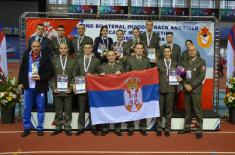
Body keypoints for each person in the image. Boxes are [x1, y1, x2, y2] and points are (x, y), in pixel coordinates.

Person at [18, 41, 53, 137]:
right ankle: (26, 128)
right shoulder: (26, 56)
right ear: (31, 47)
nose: (36, 48)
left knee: (41, 108)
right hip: (27, 87)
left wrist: (41, 77)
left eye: (38, 46)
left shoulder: (45, 57)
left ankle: (40, 128)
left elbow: (50, 72)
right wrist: (20, 82)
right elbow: (21, 70)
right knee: (26, 108)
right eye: (34, 46)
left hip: (40, 87)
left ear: (40, 47)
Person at [177, 45, 206, 139]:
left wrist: (191, 86)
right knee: (188, 110)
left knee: (197, 110)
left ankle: (199, 129)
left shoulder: (201, 61)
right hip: (186, 89)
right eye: (190, 50)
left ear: (196, 51)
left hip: (196, 90)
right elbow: (180, 75)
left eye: (193, 50)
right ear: (188, 51)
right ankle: (186, 127)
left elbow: (201, 77)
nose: (191, 52)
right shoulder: (184, 62)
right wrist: (185, 85)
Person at [50, 43, 77, 136]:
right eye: (61, 48)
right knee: (58, 110)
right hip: (57, 90)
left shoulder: (73, 61)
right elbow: (51, 76)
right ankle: (58, 127)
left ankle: (67, 127)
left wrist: (70, 88)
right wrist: (53, 88)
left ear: (68, 49)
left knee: (68, 110)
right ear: (59, 49)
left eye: (65, 48)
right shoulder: (54, 61)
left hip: (68, 91)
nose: (63, 50)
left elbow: (74, 76)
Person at [74, 43, 100, 136]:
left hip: (92, 89)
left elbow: (99, 74)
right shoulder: (79, 60)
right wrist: (74, 84)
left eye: (89, 48)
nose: (87, 49)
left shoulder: (96, 61)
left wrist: (92, 75)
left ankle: (93, 128)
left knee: (92, 109)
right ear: (83, 49)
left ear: (92, 49)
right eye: (86, 48)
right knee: (81, 108)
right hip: (81, 88)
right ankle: (81, 127)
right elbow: (75, 73)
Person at [126, 43, 151, 136]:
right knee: (131, 106)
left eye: (141, 48)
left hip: (143, 87)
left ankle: (143, 127)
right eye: (138, 48)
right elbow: (126, 72)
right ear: (135, 50)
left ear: (143, 50)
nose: (139, 50)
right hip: (132, 87)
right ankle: (130, 127)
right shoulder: (129, 59)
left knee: (142, 106)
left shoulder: (147, 60)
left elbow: (149, 74)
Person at [100, 50, 124, 136]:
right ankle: (105, 128)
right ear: (106, 57)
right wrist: (100, 75)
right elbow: (98, 79)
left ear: (115, 56)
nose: (111, 57)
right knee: (106, 110)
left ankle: (117, 128)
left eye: (112, 55)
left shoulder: (120, 66)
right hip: (106, 92)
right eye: (109, 55)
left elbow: (125, 78)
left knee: (117, 110)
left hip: (117, 92)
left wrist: (121, 74)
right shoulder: (102, 66)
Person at [156, 46, 178, 137]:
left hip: (171, 89)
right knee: (160, 110)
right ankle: (159, 128)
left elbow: (181, 74)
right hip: (160, 88)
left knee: (169, 110)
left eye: (168, 51)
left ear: (171, 52)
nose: (167, 53)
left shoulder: (175, 63)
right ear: (163, 53)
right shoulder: (159, 62)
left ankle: (167, 128)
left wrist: (180, 77)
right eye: (165, 51)